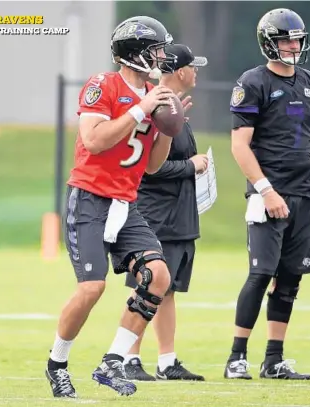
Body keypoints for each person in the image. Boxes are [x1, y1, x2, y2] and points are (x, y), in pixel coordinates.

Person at [44, 16, 184, 398]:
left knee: (158, 276)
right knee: (92, 287)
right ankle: (57, 364)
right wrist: (141, 110)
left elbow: (153, 165)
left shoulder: (155, 93)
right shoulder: (102, 85)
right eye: (155, 49)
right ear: (135, 53)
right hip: (90, 198)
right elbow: (93, 140)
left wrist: (170, 130)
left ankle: (112, 362)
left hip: (126, 202)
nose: (161, 56)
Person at [224, 8, 310, 380]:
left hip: (305, 193)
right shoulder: (252, 81)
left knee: (291, 276)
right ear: (268, 43)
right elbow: (240, 145)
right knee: (261, 272)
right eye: (287, 39)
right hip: (268, 191)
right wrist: (265, 189)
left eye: (297, 39)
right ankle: (236, 357)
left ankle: (273, 359)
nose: (294, 45)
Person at [123, 44, 208, 382]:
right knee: (147, 283)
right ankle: (127, 357)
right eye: (192, 66)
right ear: (179, 70)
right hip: (157, 214)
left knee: (166, 289)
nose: (196, 72)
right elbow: (148, 167)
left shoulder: (172, 106)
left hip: (179, 214)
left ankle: (166, 360)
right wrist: (190, 165)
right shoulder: (157, 105)